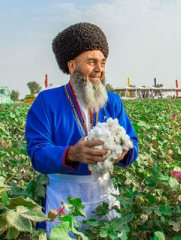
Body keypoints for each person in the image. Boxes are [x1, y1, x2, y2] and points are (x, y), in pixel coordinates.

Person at [26, 22, 139, 233]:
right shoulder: (46, 101)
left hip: (105, 194)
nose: (99, 69)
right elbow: (37, 152)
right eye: (91, 62)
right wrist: (71, 154)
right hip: (63, 197)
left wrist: (124, 152)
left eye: (103, 62)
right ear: (71, 66)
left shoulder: (113, 102)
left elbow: (133, 142)